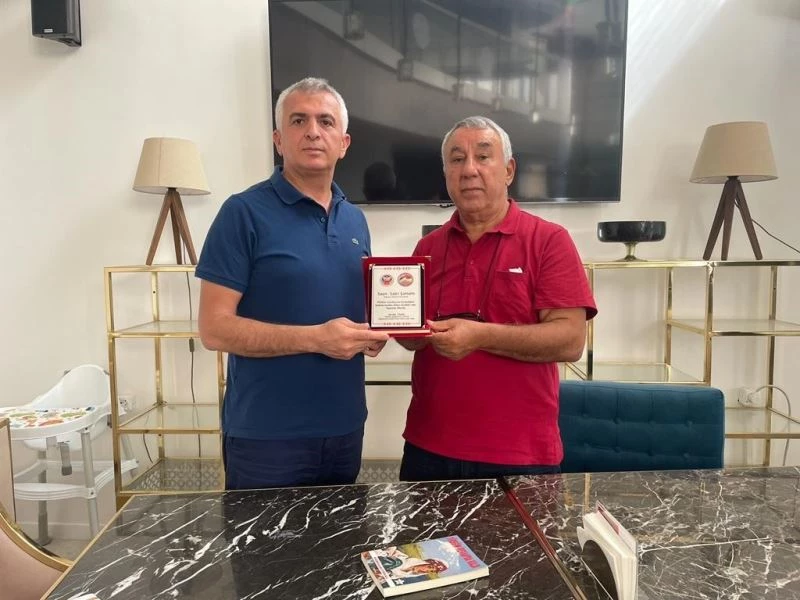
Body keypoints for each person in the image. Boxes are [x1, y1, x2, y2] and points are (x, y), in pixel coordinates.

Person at [196, 77, 389, 490]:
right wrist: (317, 339)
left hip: (344, 430)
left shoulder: (355, 220)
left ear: (344, 143)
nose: (313, 132)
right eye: (298, 121)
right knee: (262, 538)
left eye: (326, 121)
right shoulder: (242, 213)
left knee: (340, 534)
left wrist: (369, 335)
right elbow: (214, 329)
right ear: (278, 140)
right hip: (266, 438)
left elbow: (348, 311)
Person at [397, 116, 597, 481]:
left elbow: (570, 340)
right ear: (446, 174)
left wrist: (480, 336)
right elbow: (414, 337)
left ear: (508, 170)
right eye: (457, 159)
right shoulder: (427, 248)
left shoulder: (549, 240)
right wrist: (400, 329)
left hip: (520, 453)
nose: (469, 170)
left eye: (483, 156)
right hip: (428, 448)